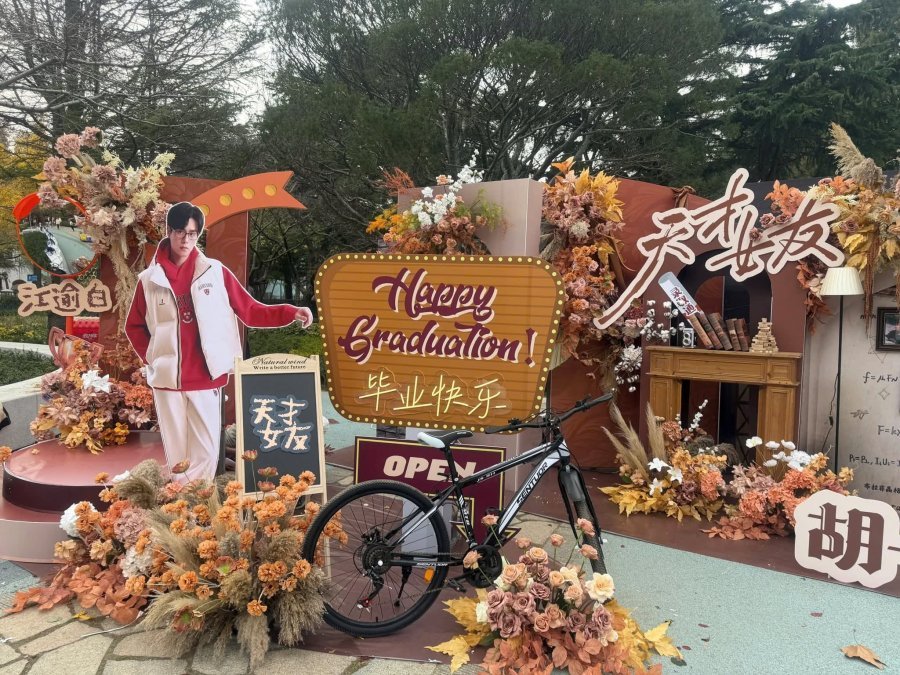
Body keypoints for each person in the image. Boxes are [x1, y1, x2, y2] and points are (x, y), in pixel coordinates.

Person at [125, 201, 313, 482]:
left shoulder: (215, 272)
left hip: (207, 378)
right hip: (167, 381)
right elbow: (134, 326)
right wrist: (154, 357)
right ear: (169, 231)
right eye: (180, 232)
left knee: (207, 451)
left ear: (198, 234)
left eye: (192, 233)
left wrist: (289, 312)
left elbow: (250, 311)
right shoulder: (149, 279)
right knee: (177, 453)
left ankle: (194, 499)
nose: (185, 239)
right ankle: (185, 503)